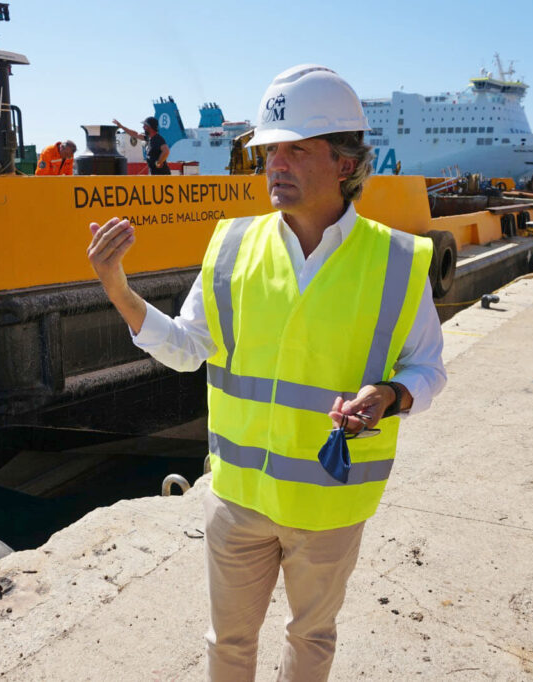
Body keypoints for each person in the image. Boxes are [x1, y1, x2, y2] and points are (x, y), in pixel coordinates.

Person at [89, 64, 446, 681]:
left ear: (344, 163)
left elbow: (428, 369)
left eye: (295, 150)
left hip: (331, 502)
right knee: (228, 641)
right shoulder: (231, 248)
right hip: (238, 500)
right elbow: (185, 346)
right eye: (268, 152)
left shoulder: (397, 261)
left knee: (311, 637)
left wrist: (390, 395)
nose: (275, 165)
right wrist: (116, 288)